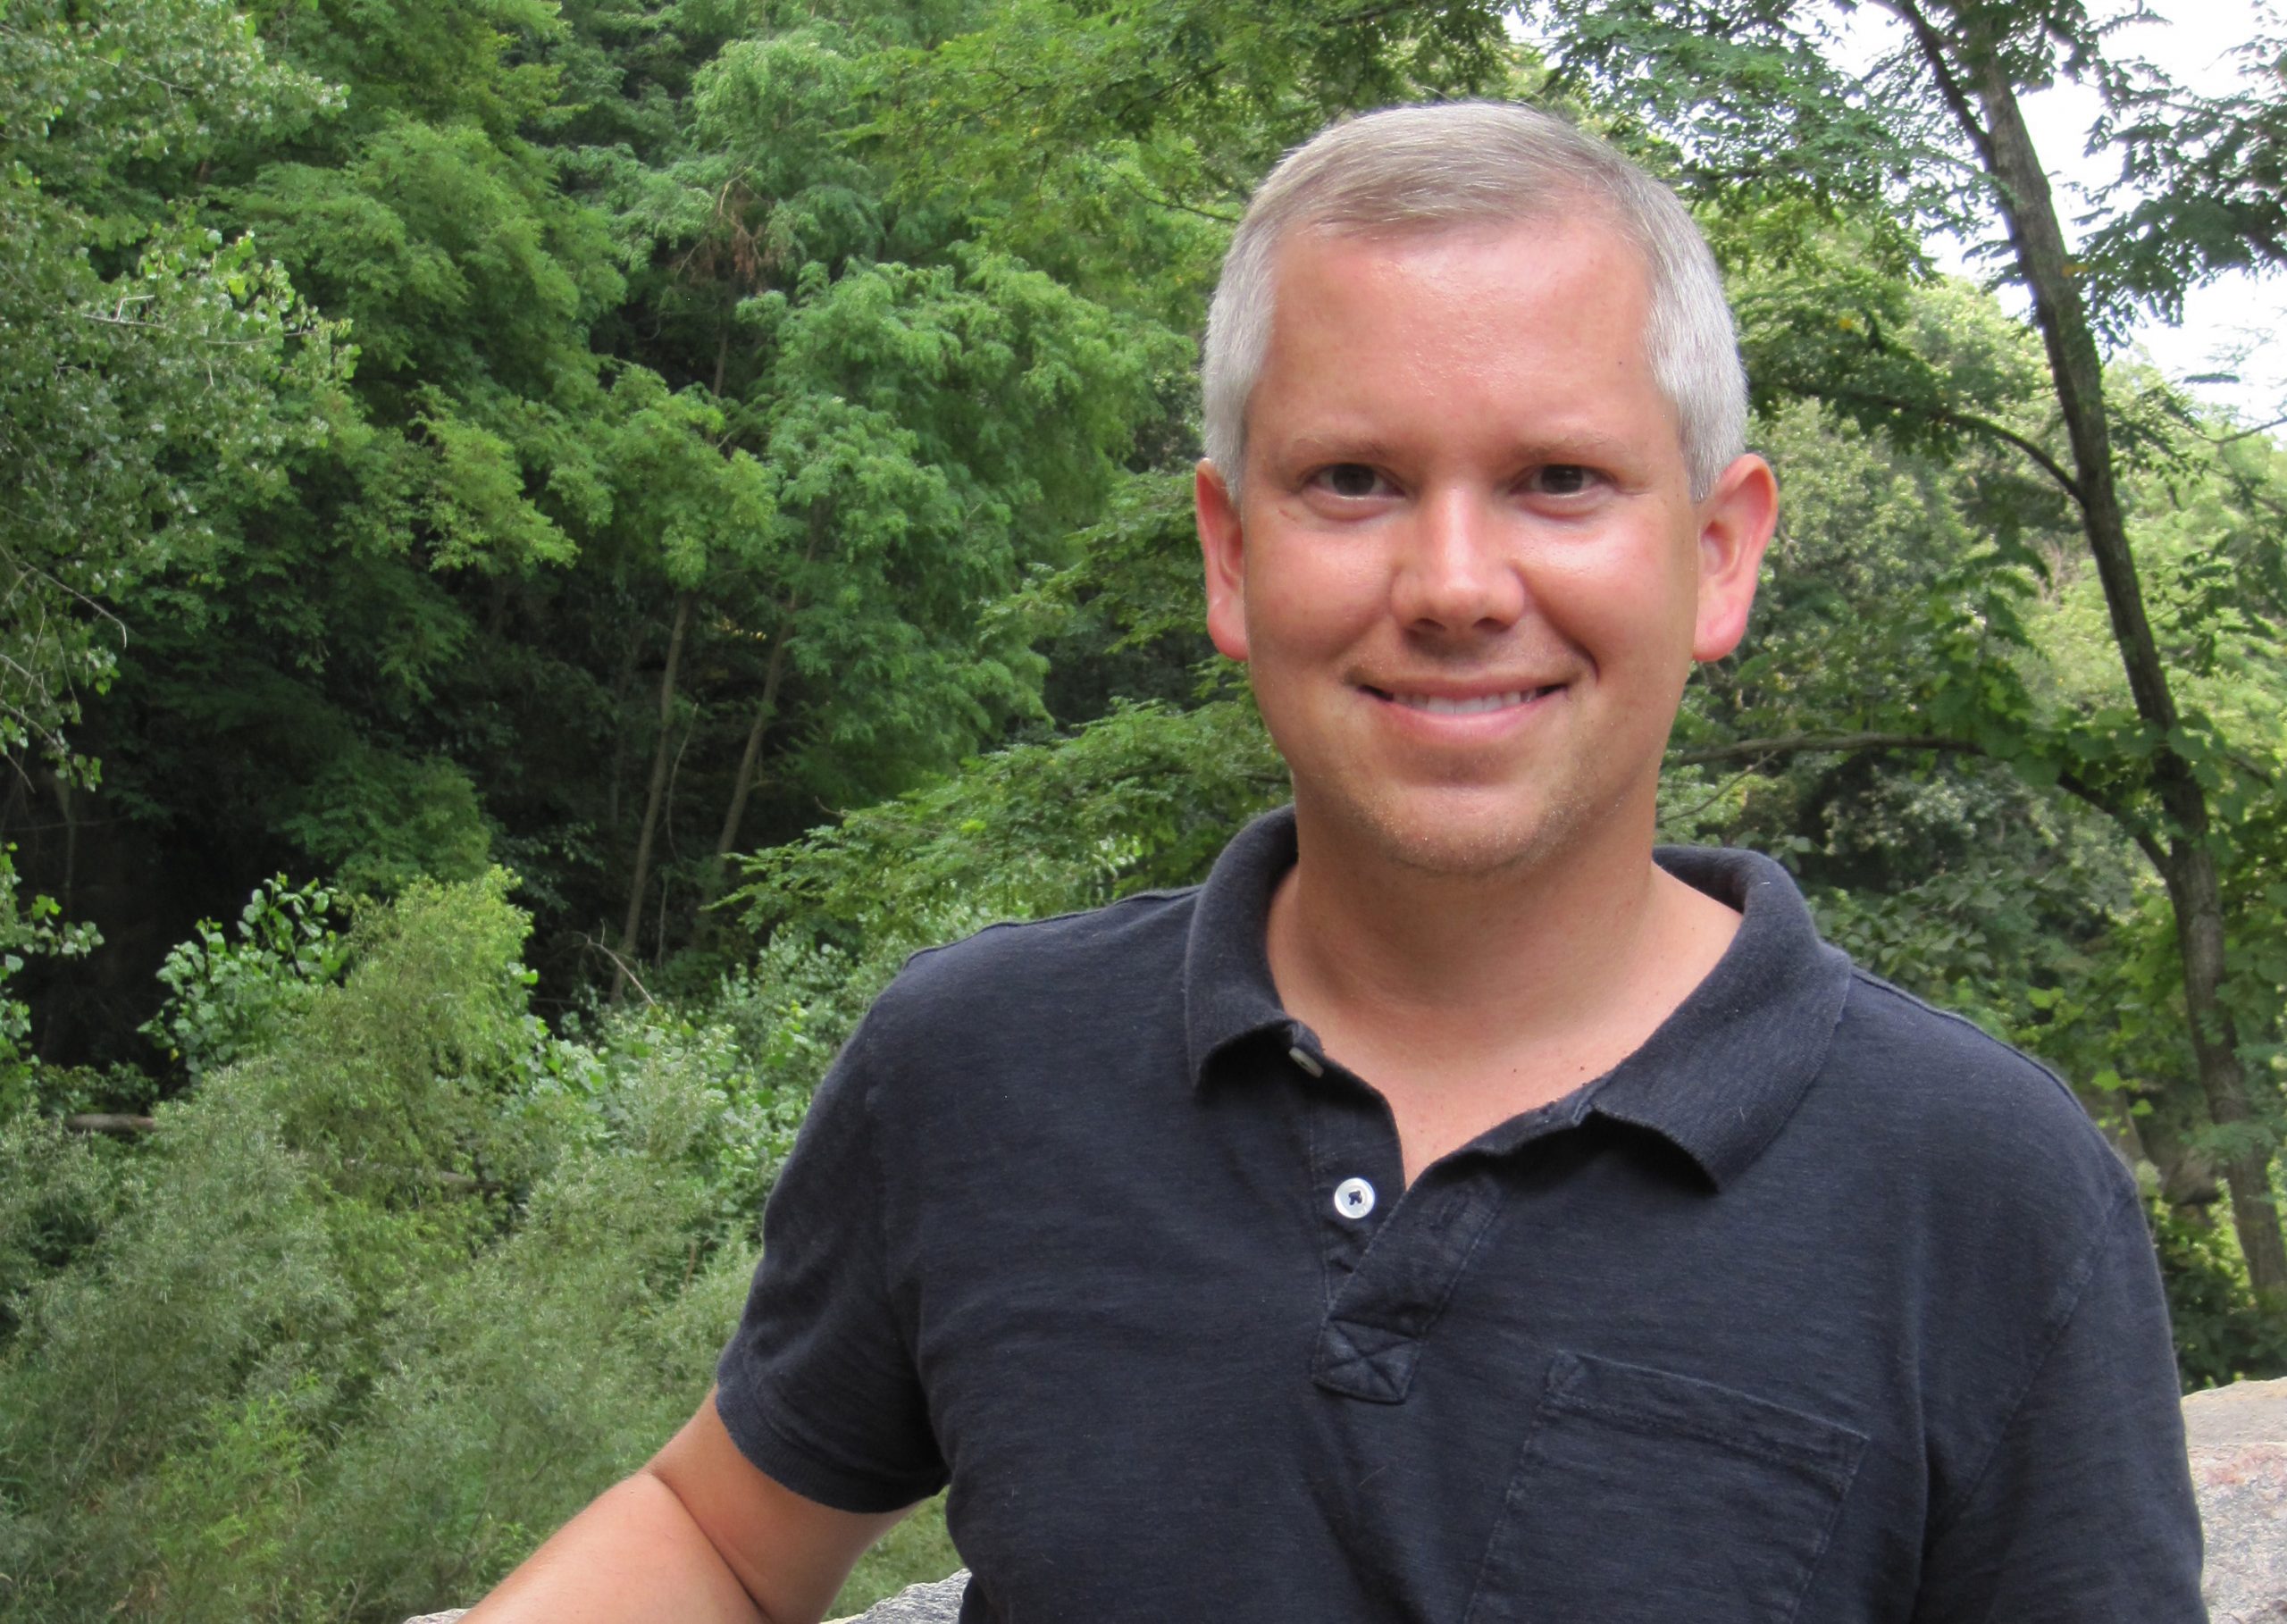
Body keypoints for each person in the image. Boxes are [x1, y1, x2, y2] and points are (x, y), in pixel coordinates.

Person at [465, 102, 2204, 1624]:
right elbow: (717, 1533)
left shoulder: (1979, 1195)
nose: (1451, 583)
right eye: (1354, 478)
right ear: (1229, 554)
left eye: (1556, 479)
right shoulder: (972, 1074)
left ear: (1717, 553)